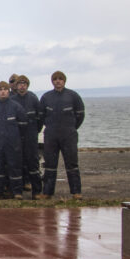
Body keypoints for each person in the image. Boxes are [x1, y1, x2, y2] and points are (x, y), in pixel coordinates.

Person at [38, 70, 85, 199]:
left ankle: (76, 192)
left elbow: (80, 115)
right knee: (50, 165)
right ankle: (47, 192)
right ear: (52, 81)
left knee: (72, 164)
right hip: (51, 135)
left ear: (64, 81)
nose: (58, 81)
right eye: (55, 79)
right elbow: (41, 116)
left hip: (68, 135)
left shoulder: (73, 96)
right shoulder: (46, 97)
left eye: (60, 79)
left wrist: (71, 128)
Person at [0, 81, 27, 200]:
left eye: (5, 89)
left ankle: (17, 192)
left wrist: (15, 137)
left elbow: (23, 125)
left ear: (8, 91)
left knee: (14, 166)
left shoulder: (16, 107)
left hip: (13, 143)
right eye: (0, 89)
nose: (3, 91)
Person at [12, 74, 43, 197]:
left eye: (24, 84)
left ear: (27, 85)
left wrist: (35, 130)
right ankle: (17, 192)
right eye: (20, 84)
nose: (22, 86)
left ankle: (37, 192)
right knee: (17, 163)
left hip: (31, 135)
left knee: (33, 163)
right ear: (16, 86)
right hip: (17, 136)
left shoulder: (33, 98)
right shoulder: (13, 100)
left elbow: (40, 117)